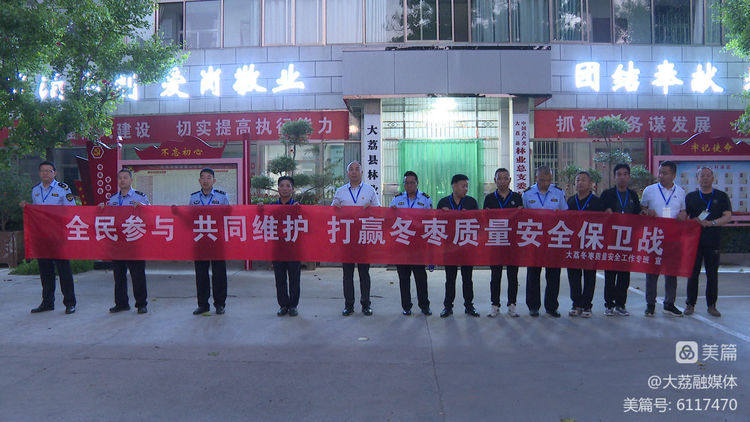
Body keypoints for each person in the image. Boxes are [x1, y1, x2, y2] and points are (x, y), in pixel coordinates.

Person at [20, 161, 77, 314]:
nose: (45, 173)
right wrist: (27, 207)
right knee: (45, 270)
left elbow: (72, 209)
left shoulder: (63, 189)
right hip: (42, 235)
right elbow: (35, 212)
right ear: (39, 173)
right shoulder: (35, 190)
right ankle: (47, 302)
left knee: (64, 270)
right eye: (42, 171)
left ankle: (70, 303)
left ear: (54, 173)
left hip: (58, 235)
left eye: (49, 171)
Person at [332, 161, 380, 316]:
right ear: (348, 173)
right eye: (351, 169)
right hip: (346, 238)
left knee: (364, 273)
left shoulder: (370, 190)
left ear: (362, 172)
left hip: (363, 237)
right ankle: (349, 305)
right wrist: (335, 207)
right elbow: (331, 212)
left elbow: (379, 212)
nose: (354, 172)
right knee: (347, 274)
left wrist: (370, 209)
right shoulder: (340, 191)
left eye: (357, 169)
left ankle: (366, 304)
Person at [99, 168, 150, 314]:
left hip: (134, 241)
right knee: (119, 274)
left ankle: (141, 304)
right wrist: (102, 209)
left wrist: (143, 208)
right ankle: (121, 303)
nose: (122, 180)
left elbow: (151, 214)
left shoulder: (140, 197)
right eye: (120, 178)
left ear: (131, 180)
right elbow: (109, 217)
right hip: (118, 242)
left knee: (137, 274)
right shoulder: (113, 199)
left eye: (125, 177)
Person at [640, 160, 687, 317]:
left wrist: (683, 214)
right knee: (652, 272)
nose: (660, 176)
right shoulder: (649, 190)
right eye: (659, 172)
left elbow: (683, 211)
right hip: (654, 237)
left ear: (673, 175)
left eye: (664, 173)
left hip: (673, 238)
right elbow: (642, 209)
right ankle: (650, 304)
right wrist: (646, 212)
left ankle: (669, 303)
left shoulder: (681, 192)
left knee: (671, 272)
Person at [684, 167, 732, 317]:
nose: (705, 178)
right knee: (693, 273)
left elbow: (727, 216)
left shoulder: (721, 196)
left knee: (712, 274)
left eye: (707, 175)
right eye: (702, 175)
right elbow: (684, 216)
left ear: (713, 178)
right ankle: (690, 304)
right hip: (694, 242)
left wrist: (711, 223)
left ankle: (712, 305)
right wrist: (692, 220)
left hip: (713, 241)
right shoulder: (691, 197)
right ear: (697, 178)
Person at [522, 166, 568, 317]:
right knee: (533, 274)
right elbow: (522, 216)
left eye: (548, 180)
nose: (546, 183)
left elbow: (566, 214)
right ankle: (533, 306)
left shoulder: (558, 193)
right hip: (534, 239)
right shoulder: (527, 194)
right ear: (536, 178)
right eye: (542, 180)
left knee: (553, 275)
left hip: (553, 239)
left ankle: (551, 306)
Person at [600, 163, 642, 316]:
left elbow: (637, 214)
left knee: (624, 274)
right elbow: (598, 214)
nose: (622, 177)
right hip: (611, 239)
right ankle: (609, 304)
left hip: (627, 240)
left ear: (629, 177)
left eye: (625, 174)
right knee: (610, 274)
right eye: (619, 174)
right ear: (614, 177)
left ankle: (620, 304)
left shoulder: (633, 195)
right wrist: (605, 212)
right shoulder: (607, 194)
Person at [389, 171, 432, 316]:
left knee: (421, 277)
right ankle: (406, 306)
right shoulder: (397, 199)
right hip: (402, 244)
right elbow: (389, 220)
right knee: (403, 277)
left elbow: (430, 220)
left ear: (417, 183)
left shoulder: (425, 199)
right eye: (406, 183)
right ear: (404, 184)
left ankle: (424, 305)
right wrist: (392, 213)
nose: (409, 185)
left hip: (418, 245)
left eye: (412, 183)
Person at [437, 174, 480, 318]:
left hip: (466, 246)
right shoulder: (443, 202)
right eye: (463, 186)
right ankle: (448, 307)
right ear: (454, 186)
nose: (466, 189)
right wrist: (443, 215)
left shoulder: (471, 202)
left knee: (467, 278)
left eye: (467, 186)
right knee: (450, 278)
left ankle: (469, 306)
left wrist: (469, 216)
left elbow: (479, 222)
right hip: (450, 247)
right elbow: (436, 224)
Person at [482, 168, 523, 318]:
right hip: (496, 241)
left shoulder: (517, 198)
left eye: (506, 178)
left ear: (510, 180)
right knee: (495, 275)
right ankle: (495, 305)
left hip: (512, 242)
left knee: (513, 276)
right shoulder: (489, 198)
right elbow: (484, 219)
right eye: (499, 178)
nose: (503, 181)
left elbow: (522, 219)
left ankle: (512, 305)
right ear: (495, 180)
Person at [189, 168, 230, 315]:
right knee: (201, 274)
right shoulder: (193, 198)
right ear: (199, 180)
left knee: (219, 273)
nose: (205, 180)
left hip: (217, 239)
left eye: (208, 177)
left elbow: (229, 216)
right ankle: (203, 304)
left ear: (214, 180)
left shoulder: (222, 197)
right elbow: (190, 218)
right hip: (200, 240)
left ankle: (220, 304)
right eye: (203, 177)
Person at [566, 171, 605, 318]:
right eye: (577, 180)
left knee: (589, 275)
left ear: (590, 184)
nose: (580, 182)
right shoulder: (570, 201)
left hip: (590, 242)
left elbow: (604, 221)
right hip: (574, 243)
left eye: (583, 180)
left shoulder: (597, 202)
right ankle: (576, 304)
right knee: (573, 275)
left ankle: (587, 305)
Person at [272, 175, 302, 317]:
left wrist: (300, 211)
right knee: (280, 278)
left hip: (294, 248)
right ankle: (283, 305)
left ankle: (293, 306)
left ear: (292, 189)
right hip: (277, 248)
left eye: (288, 186)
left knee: (294, 278)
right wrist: (260, 210)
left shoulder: (298, 206)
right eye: (282, 185)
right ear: (278, 188)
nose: (284, 188)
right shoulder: (271, 207)